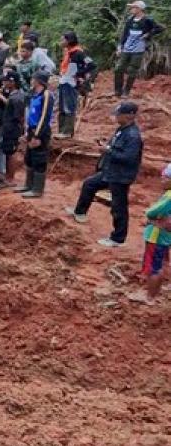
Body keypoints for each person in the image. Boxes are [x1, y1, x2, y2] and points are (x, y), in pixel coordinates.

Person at [65, 101, 144, 247]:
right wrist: (106, 148)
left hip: (121, 176)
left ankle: (118, 239)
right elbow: (114, 148)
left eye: (119, 115)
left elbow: (128, 158)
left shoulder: (133, 136)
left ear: (129, 116)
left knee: (118, 206)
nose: (116, 117)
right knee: (89, 184)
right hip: (110, 171)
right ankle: (80, 212)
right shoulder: (121, 130)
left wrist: (108, 151)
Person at [131, 164, 171, 304]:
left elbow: (151, 212)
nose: (162, 180)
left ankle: (149, 297)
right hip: (166, 236)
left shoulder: (169, 196)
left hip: (156, 236)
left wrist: (151, 216)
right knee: (161, 263)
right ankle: (155, 292)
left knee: (154, 267)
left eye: (165, 177)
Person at [18, 73, 55, 199]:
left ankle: (37, 189)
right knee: (29, 158)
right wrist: (27, 133)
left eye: (33, 79)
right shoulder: (33, 95)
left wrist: (37, 136)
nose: (31, 81)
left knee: (39, 158)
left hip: (41, 131)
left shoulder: (46, 95)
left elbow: (44, 117)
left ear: (38, 81)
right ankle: (29, 185)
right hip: (32, 130)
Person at [116, 0, 163, 98]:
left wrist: (148, 34)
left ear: (139, 9)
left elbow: (159, 28)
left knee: (132, 70)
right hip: (127, 48)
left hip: (138, 49)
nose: (131, 9)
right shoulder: (130, 20)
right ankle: (117, 91)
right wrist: (120, 46)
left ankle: (126, 92)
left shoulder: (147, 20)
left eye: (133, 7)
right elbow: (124, 34)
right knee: (118, 68)